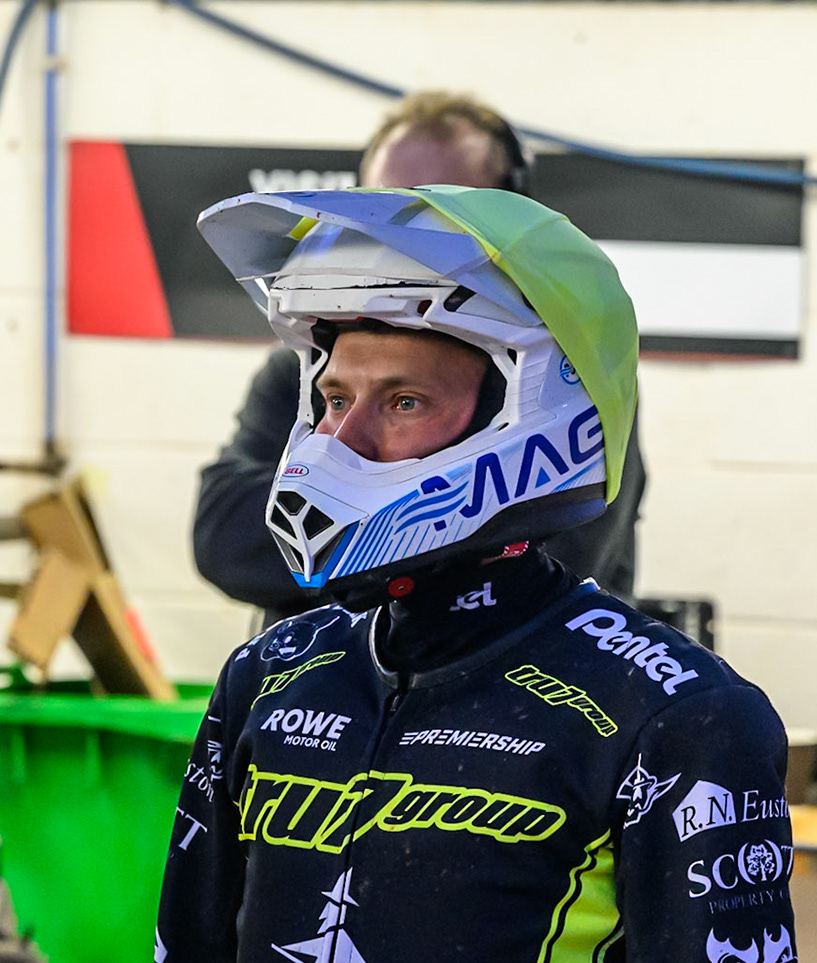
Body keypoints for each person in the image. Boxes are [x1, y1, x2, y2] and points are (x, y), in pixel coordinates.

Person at [118, 186, 797, 963]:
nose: (339, 436)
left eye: (400, 402)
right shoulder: (265, 680)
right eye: (331, 394)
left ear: (527, 413)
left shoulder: (675, 714)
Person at [193, 92, 646, 628]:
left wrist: (340, 524)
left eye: (441, 207)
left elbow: (547, 563)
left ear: (513, 208)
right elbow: (223, 537)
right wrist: (424, 517)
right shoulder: (302, 363)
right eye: (385, 203)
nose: (402, 232)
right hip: (326, 689)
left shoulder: (572, 376)